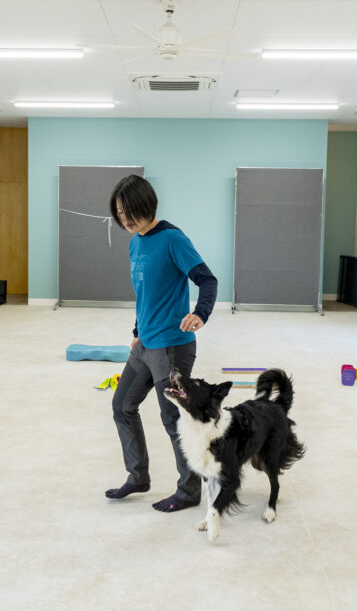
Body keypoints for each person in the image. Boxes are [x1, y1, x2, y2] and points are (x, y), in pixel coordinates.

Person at [104, 175, 218, 513]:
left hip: (171, 346)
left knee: (173, 419)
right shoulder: (135, 243)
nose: (125, 219)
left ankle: (189, 491)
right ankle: (138, 476)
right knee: (122, 405)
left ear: (146, 205)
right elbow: (146, 294)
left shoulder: (172, 239)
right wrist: (137, 330)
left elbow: (207, 279)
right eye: (119, 213)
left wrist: (200, 312)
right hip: (145, 344)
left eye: (129, 211)